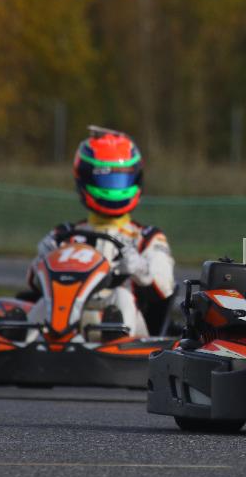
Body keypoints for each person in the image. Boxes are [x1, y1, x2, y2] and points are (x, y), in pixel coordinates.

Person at [26, 126, 175, 337]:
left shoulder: (147, 238)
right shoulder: (65, 235)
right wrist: (42, 260)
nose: (113, 189)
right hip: (67, 318)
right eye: (105, 180)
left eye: (120, 180)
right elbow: (33, 284)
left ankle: (117, 349)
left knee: (122, 298)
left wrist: (139, 269)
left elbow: (164, 287)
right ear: (84, 178)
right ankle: (22, 349)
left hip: (128, 330)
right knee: (42, 304)